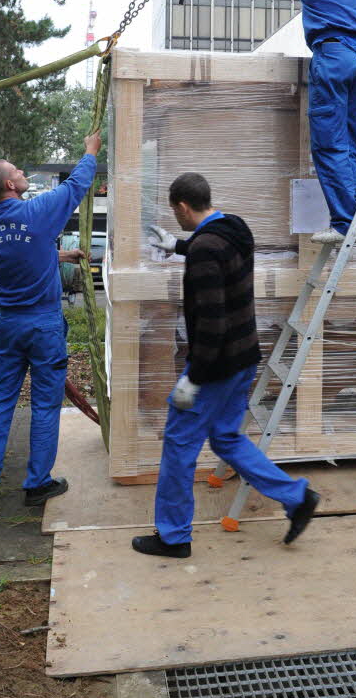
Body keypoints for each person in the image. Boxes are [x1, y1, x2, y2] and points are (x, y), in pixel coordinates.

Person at [136, 171, 319, 558]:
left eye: (176, 213)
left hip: (213, 367)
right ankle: (296, 496)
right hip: (243, 358)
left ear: (184, 206)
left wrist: (193, 379)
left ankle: (173, 537)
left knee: (178, 445)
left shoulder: (205, 250)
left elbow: (213, 322)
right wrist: (179, 246)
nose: (176, 218)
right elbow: (213, 249)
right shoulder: (236, 229)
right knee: (225, 437)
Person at [0, 132, 101, 507]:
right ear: (10, 184)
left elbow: (23, 253)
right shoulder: (37, 212)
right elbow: (76, 185)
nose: (23, 171)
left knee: (0, 402)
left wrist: (60, 255)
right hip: (43, 325)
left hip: (8, 325)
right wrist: (89, 151)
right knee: (44, 405)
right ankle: (36, 483)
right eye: (17, 171)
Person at [251, 0, 356, 245]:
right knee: (348, 147)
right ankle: (353, 223)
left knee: (329, 145)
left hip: (332, 57)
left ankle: (346, 224)